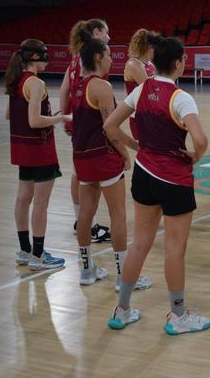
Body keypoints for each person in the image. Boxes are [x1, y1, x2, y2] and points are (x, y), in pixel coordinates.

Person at [104, 35, 210, 335]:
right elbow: (201, 140)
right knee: (175, 249)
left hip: (143, 174)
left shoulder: (141, 90)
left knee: (140, 242)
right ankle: (178, 316)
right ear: (178, 63)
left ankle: (122, 309)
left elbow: (110, 127)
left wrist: (137, 146)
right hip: (174, 179)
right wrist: (195, 156)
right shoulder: (181, 98)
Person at [71, 34, 153, 291]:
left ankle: (86, 270)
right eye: (107, 55)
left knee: (86, 212)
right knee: (118, 214)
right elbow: (111, 128)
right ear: (97, 57)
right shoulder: (101, 87)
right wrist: (129, 151)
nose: (111, 60)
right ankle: (123, 276)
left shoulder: (79, 85)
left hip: (81, 156)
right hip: (103, 156)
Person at [5, 39, 69, 271]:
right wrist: (60, 118)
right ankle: (39, 256)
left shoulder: (16, 80)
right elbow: (34, 121)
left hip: (22, 149)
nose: (47, 59)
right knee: (40, 204)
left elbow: (9, 115)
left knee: (23, 199)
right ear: (34, 57)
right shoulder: (35, 83)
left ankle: (25, 250)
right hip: (40, 150)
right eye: (44, 55)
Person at [59, 19, 112, 244]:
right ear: (97, 32)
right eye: (106, 33)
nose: (109, 37)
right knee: (90, 178)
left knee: (78, 172)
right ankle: (87, 224)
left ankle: (80, 221)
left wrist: (66, 118)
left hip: (78, 121)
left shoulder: (76, 58)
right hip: (89, 123)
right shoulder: (89, 59)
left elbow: (64, 90)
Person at [123, 28, 157, 141]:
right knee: (147, 150)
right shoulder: (134, 64)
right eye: (153, 46)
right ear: (146, 47)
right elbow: (151, 89)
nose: (155, 50)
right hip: (139, 115)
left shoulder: (150, 64)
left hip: (151, 113)